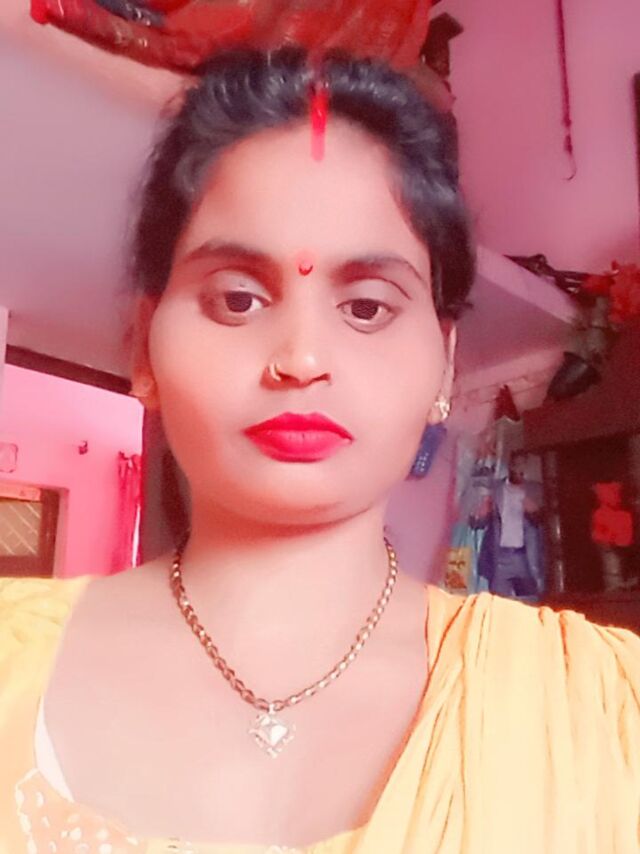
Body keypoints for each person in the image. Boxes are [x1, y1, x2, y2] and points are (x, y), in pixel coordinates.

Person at [1, 47, 638, 854]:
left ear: (444, 364)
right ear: (143, 346)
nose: (301, 359)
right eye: (238, 299)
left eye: (367, 307)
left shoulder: (605, 711)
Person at [472, 450, 545, 599]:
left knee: (528, 603)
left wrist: (534, 512)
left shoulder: (535, 489)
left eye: (524, 466)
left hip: (525, 558)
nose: (520, 470)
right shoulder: (496, 489)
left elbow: (544, 523)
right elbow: (476, 524)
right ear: (510, 466)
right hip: (499, 558)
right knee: (499, 603)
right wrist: (480, 515)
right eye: (517, 465)